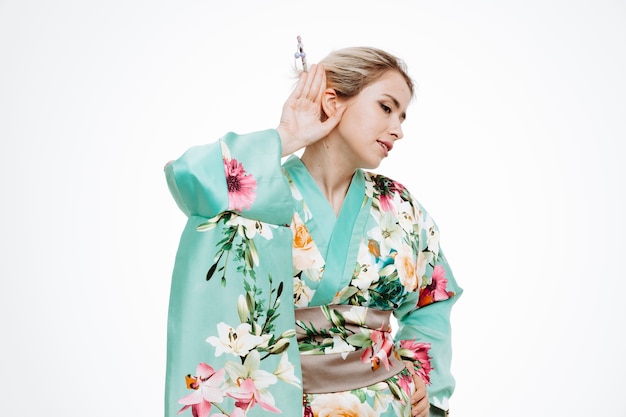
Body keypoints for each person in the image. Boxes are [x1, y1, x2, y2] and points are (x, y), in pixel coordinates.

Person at [163, 44, 462, 417]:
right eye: (386, 108)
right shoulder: (262, 191)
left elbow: (432, 299)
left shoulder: (400, 206)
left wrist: (423, 379)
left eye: (402, 117)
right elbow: (188, 176)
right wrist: (286, 136)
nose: (397, 129)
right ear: (333, 101)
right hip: (283, 406)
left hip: (388, 406)